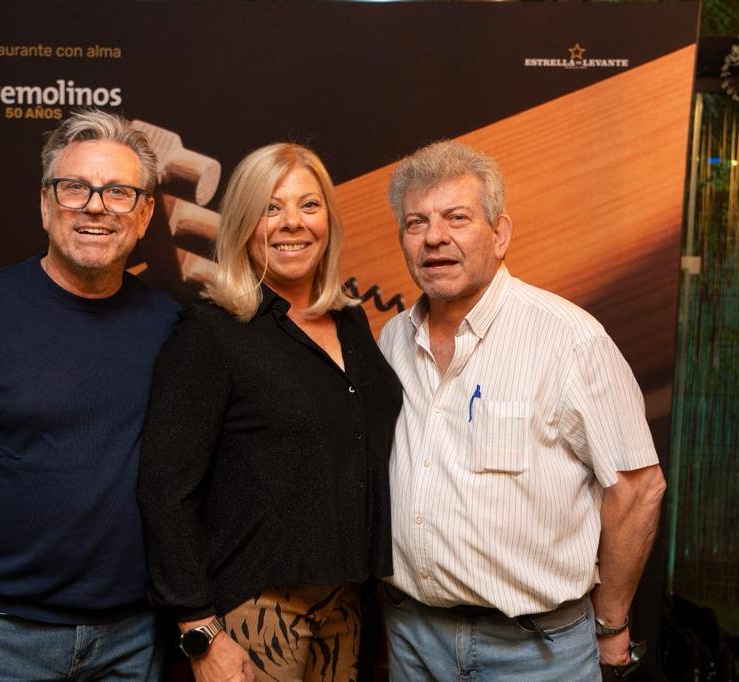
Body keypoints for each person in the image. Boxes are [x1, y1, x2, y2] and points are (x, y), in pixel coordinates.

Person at [0, 109, 179, 681]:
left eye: (118, 192)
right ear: (45, 204)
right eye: (75, 188)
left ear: (144, 214)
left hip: (134, 639)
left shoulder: (171, 327)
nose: (95, 206)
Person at [377, 139, 667, 681]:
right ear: (402, 241)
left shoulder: (569, 340)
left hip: (536, 653)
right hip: (413, 639)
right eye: (417, 222)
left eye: (456, 217)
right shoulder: (392, 341)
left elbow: (637, 487)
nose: (434, 237)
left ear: (500, 233)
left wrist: (611, 623)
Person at [137, 143, 403, 681]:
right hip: (253, 608)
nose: (292, 223)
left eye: (309, 205)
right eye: (270, 208)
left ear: (328, 220)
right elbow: (165, 491)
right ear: (243, 224)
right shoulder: (211, 333)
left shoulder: (351, 323)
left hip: (348, 600)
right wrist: (199, 629)